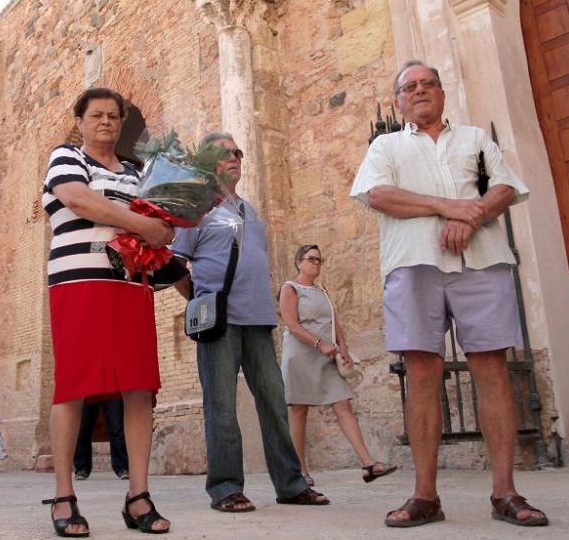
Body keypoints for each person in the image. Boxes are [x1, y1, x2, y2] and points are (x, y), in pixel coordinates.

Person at [350, 60, 548, 528]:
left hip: (481, 261)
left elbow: (504, 189)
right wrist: (448, 207)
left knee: (492, 368)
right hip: (414, 264)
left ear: (442, 92)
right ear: (398, 101)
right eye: (409, 87)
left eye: (427, 84)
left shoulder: (477, 139)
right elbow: (378, 196)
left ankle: (505, 492)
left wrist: (470, 217)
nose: (419, 91)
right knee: (420, 372)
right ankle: (425, 496)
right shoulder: (386, 145)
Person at [172, 132, 329, 513]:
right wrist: (197, 298)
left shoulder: (250, 210)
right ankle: (226, 488)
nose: (234, 158)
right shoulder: (197, 208)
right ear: (209, 162)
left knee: (275, 401)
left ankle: (291, 484)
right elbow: (175, 262)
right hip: (218, 323)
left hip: (258, 321)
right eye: (225, 154)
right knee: (221, 406)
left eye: (238, 152)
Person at [41, 87, 174, 537]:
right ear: (80, 121)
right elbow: (78, 200)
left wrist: (167, 231)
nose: (106, 123)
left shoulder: (138, 171)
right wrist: (143, 225)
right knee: (73, 385)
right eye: (96, 115)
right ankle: (64, 495)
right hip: (78, 283)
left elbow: (161, 222)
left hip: (130, 286)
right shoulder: (66, 158)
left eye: (114, 117)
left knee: (139, 387)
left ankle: (138, 496)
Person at [280, 244, 397, 486]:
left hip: (327, 354)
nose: (316, 263)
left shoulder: (322, 290)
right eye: (311, 259)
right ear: (298, 262)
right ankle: (300, 471)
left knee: (342, 403)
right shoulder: (289, 288)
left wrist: (342, 346)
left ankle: (368, 464)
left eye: (320, 260)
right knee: (299, 410)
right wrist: (319, 343)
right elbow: (292, 325)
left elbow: (335, 321)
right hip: (301, 355)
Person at [73, 399, 129, 481]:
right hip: (88, 389)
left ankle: (122, 467)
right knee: (83, 427)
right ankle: (81, 468)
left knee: (117, 426)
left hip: (112, 389)